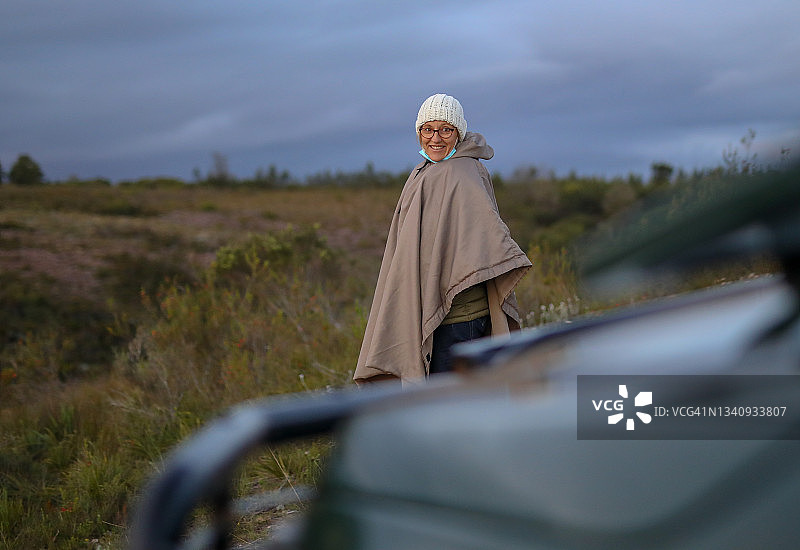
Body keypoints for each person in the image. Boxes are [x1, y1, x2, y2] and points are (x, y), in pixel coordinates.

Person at [353, 93, 531, 385]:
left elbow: (488, 240)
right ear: (419, 132)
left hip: (459, 317)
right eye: (428, 129)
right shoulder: (428, 170)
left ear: (458, 133)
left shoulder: (461, 173)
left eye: (445, 129)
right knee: (447, 401)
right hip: (443, 315)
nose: (435, 138)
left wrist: (444, 286)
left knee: (455, 402)